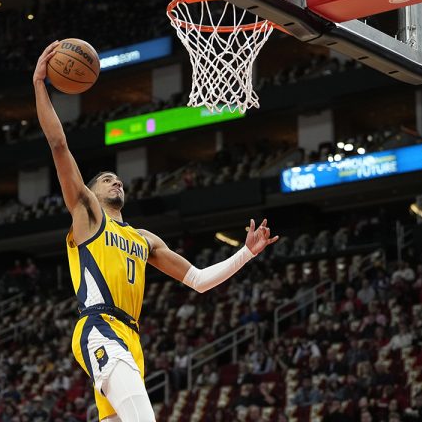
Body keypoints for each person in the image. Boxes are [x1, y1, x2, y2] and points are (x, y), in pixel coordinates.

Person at [33, 42, 279, 422]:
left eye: (118, 179)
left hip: (130, 338)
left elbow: (197, 279)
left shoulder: (145, 239)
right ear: (92, 192)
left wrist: (245, 253)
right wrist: (39, 84)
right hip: (99, 327)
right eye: (105, 179)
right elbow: (58, 144)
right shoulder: (87, 215)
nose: (115, 181)